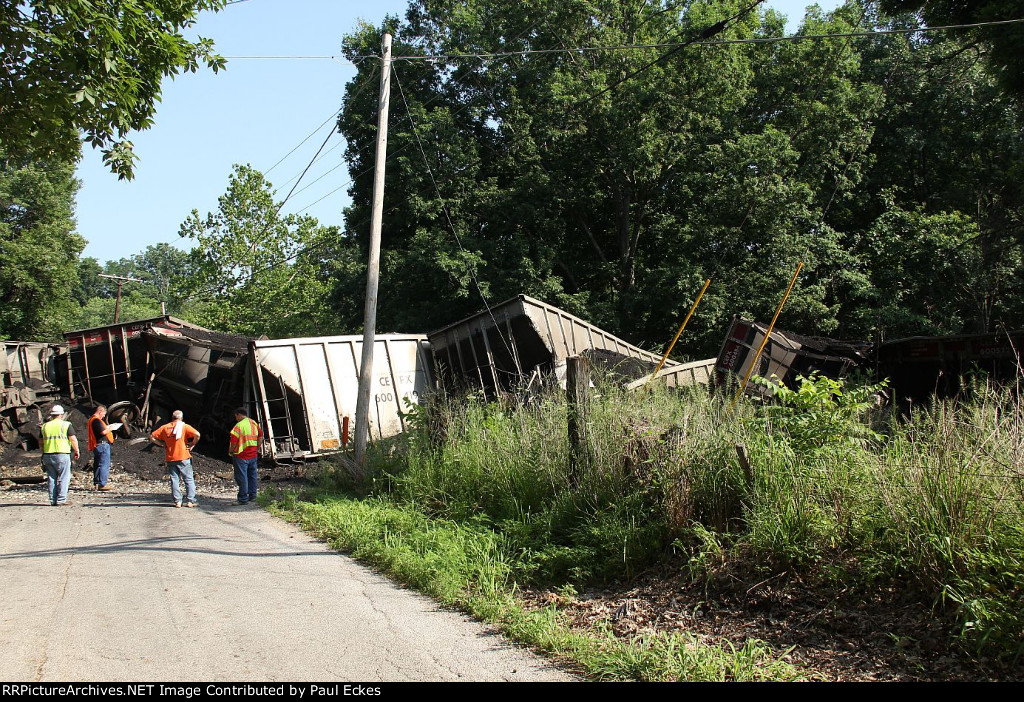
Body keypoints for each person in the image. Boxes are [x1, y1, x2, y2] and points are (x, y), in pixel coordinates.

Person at [150, 410, 200, 508]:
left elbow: (151, 437)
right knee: (188, 479)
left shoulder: (165, 427)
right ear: (181, 418)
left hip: (170, 457)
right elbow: (197, 434)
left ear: (172, 417)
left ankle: (177, 501)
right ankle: (190, 501)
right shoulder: (184, 426)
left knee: (174, 479)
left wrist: (161, 444)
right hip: (183, 456)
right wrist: (193, 443)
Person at [40, 404, 80, 507]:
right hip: (62, 454)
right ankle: (61, 500)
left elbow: (40, 442)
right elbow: (72, 439)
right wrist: (76, 450)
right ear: (61, 414)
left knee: (51, 478)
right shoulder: (65, 425)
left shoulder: (45, 426)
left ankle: (53, 500)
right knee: (64, 477)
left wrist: (44, 451)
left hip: (48, 454)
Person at [229, 407, 261, 505]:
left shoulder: (238, 426)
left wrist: (231, 451)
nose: (236, 418)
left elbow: (233, 442)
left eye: (236, 416)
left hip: (241, 455)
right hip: (253, 454)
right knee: (252, 476)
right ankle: (253, 496)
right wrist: (257, 448)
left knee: (242, 477)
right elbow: (260, 436)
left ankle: (243, 498)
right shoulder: (253, 423)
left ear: (239, 414)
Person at [88, 404, 114, 491]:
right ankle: (102, 484)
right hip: (102, 445)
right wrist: (110, 428)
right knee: (104, 464)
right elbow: (103, 432)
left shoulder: (92, 420)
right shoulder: (96, 421)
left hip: (97, 445)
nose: (103, 416)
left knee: (98, 464)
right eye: (103, 414)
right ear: (100, 412)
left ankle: (97, 483)